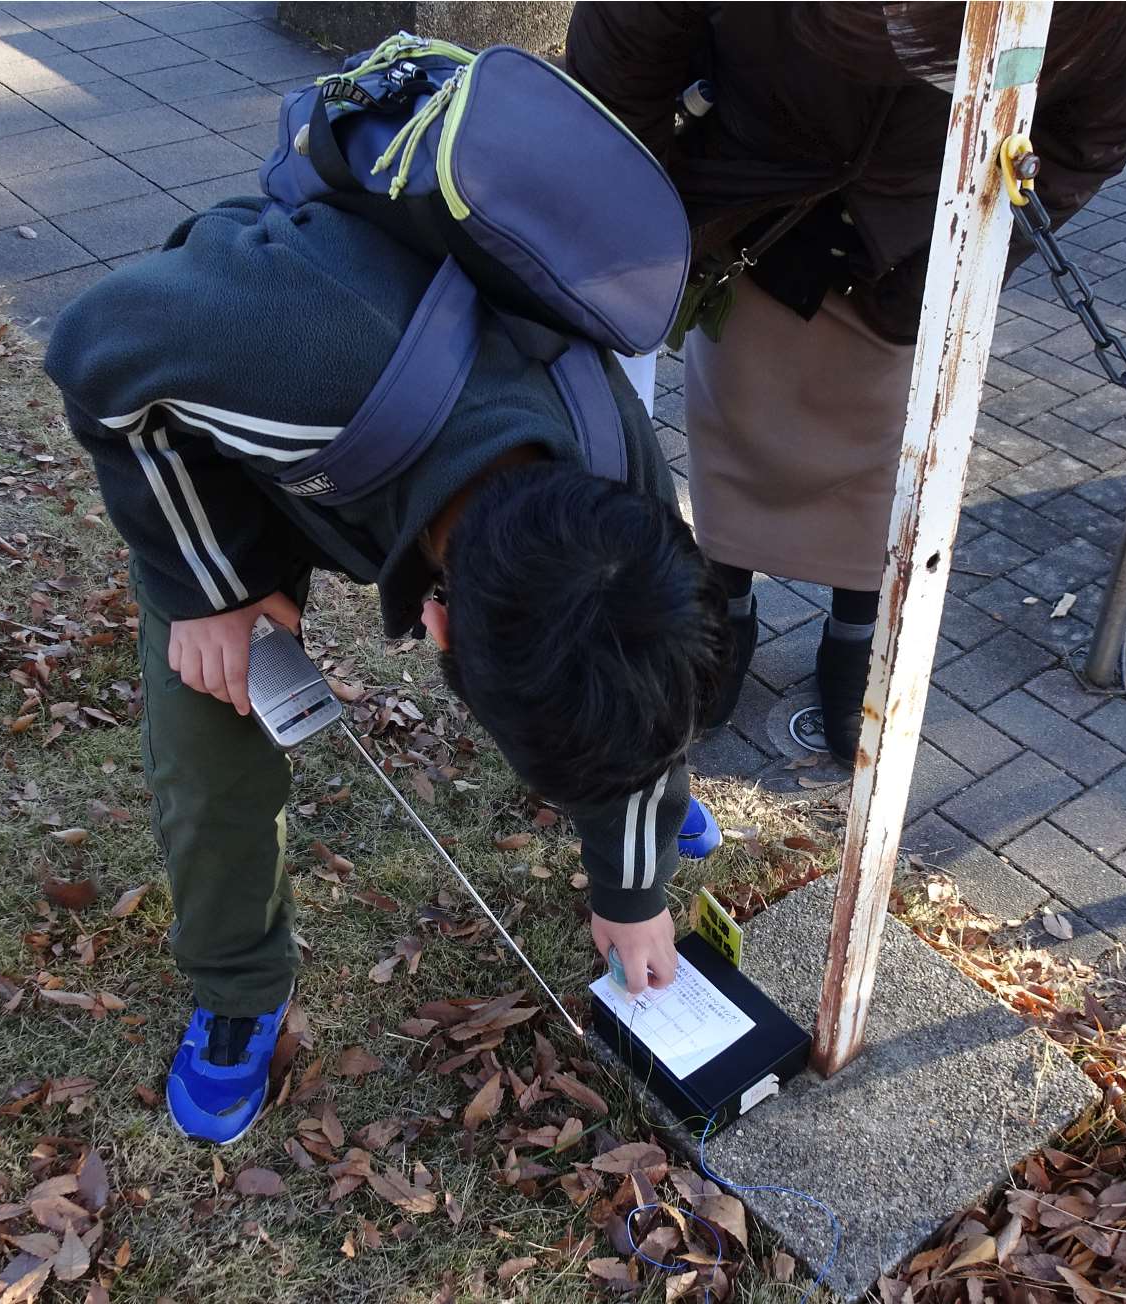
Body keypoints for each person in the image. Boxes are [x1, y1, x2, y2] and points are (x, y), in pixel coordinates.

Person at [44, 198, 730, 1144]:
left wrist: (631, 886)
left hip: (411, 454)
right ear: (436, 627)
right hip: (244, 468)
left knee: (612, 695)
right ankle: (240, 989)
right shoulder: (281, 349)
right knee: (212, 739)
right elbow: (93, 350)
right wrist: (207, 582)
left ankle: (639, 812)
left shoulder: (619, 475)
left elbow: (635, 662)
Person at [567, 2, 1126, 761]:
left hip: (922, 233)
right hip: (753, 200)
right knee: (734, 434)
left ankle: (857, 636)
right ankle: (724, 614)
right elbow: (617, 79)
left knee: (885, 466)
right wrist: (662, 231)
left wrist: (971, 256)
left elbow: (1103, 117)